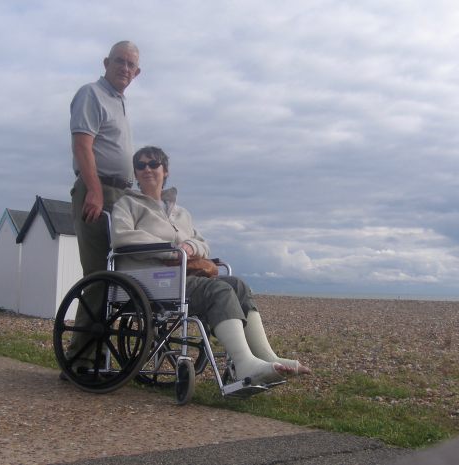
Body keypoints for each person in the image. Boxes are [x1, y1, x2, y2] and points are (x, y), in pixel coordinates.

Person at [111, 146, 311, 384]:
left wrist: (189, 248)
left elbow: (202, 243)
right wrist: (170, 249)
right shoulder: (127, 204)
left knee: (237, 285)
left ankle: (267, 357)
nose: (147, 169)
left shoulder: (181, 213)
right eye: (141, 165)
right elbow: (121, 238)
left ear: (165, 171)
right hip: (148, 279)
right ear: (135, 172)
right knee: (219, 290)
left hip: (182, 277)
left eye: (153, 164)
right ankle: (245, 363)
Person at [67, 41, 141, 367]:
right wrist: (94, 191)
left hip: (121, 195)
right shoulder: (92, 94)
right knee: (99, 277)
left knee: (121, 279)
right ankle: (80, 362)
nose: (124, 68)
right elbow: (83, 146)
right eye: (119, 61)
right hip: (98, 192)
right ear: (106, 62)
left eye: (130, 65)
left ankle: (104, 356)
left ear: (136, 73)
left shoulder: (120, 102)